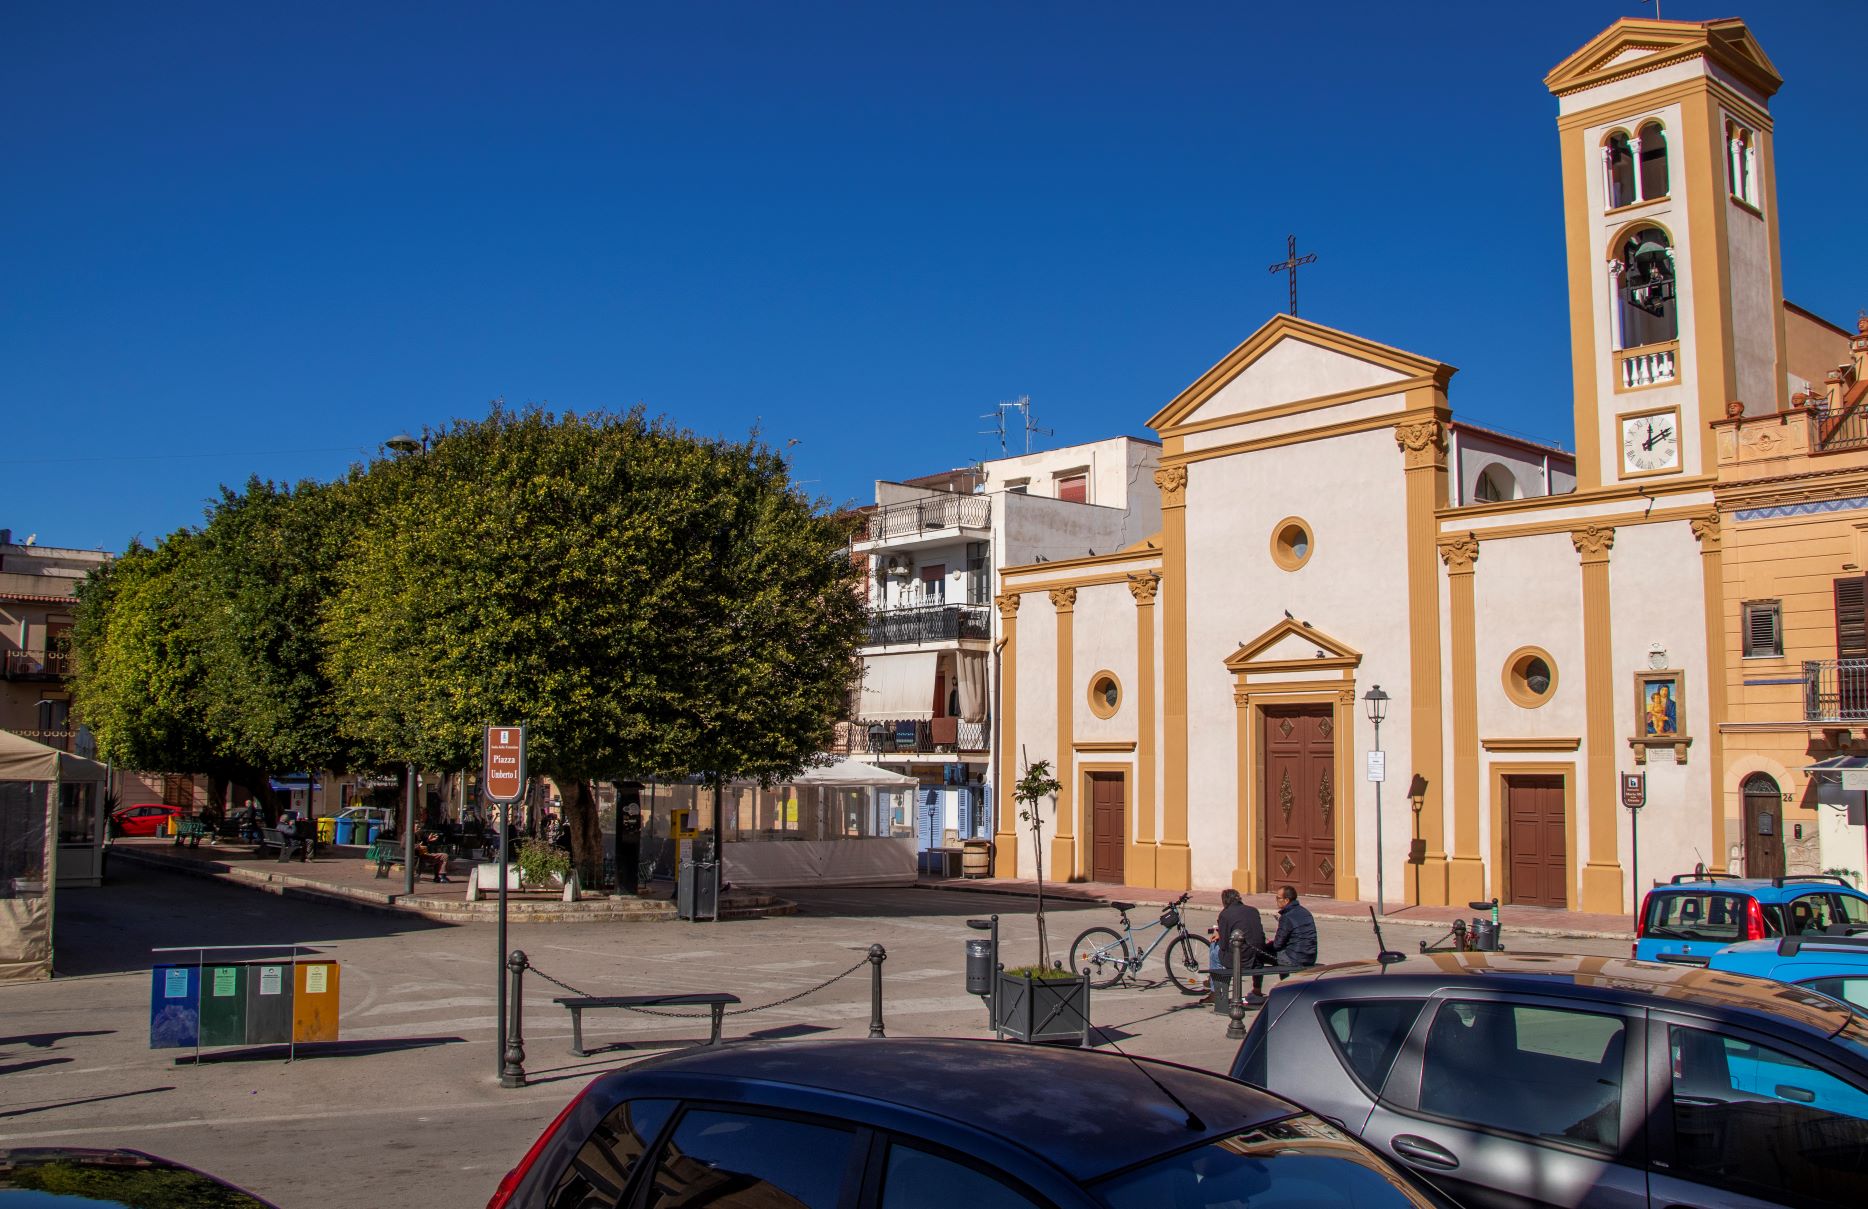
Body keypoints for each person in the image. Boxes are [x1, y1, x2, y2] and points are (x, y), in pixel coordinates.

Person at [1202, 888, 1267, 1003]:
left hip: (1241, 958)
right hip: (1259, 956)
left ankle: (1215, 992)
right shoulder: (1253, 910)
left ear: (1224, 901)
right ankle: (1257, 989)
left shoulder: (1225, 914)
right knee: (1250, 946)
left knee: (1215, 950)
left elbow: (1224, 945)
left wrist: (1219, 934)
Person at [1260, 885, 1319, 1000]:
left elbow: (1277, 945)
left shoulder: (1286, 917)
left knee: (1260, 954)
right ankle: (1287, 986)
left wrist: (1267, 945)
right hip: (1310, 956)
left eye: (1278, 898)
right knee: (1283, 952)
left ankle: (1257, 990)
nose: (1276, 901)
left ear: (1286, 900)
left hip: (1295, 958)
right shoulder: (1305, 912)